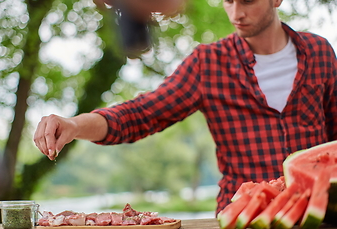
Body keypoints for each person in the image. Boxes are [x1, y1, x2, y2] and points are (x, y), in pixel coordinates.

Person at [34, 0, 337, 214]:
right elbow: (140, 114)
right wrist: (74, 125)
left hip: (317, 212)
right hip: (242, 216)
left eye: (247, 1)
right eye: (228, 1)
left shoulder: (320, 51)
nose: (236, 12)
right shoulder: (209, 64)